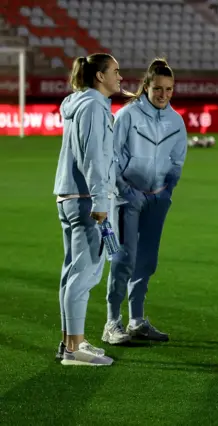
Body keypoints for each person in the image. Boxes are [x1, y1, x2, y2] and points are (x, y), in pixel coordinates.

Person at [101, 58, 187, 345]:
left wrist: (167, 190)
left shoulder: (176, 121)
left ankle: (136, 319)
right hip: (127, 199)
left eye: (169, 89)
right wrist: (125, 189)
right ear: (146, 87)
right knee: (123, 258)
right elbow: (112, 156)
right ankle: (112, 322)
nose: (164, 94)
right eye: (158, 88)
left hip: (158, 199)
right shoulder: (128, 115)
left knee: (147, 261)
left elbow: (177, 161)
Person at [53, 53, 122, 366]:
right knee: (84, 273)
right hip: (85, 198)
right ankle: (75, 348)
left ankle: (70, 342)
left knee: (71, 272)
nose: (120, 77)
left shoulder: (78, 103)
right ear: (99, 76)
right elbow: (92, 155)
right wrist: (100, 200)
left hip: (69, 195)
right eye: (115, 72)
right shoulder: (94, 105)